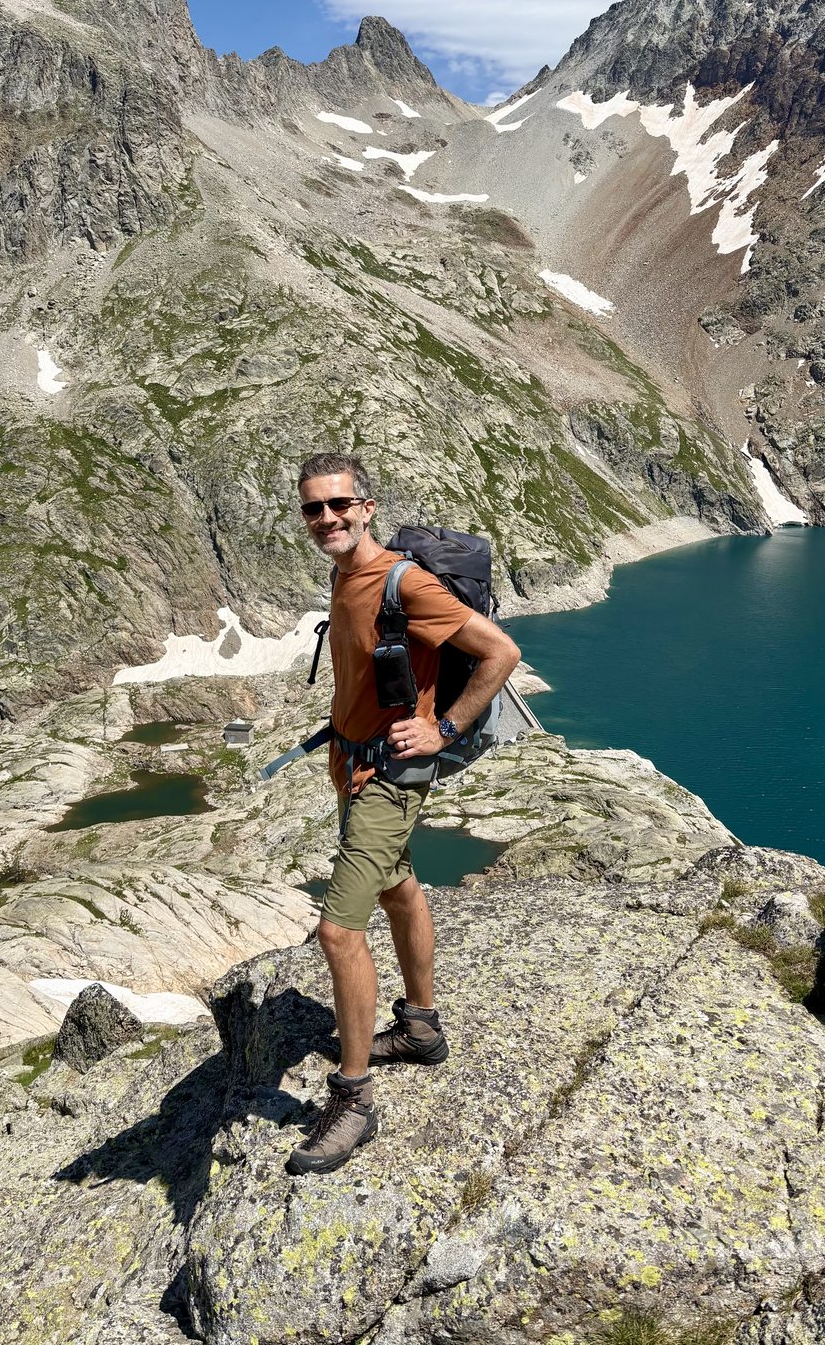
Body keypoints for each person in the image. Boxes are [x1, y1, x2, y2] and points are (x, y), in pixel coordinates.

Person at [286, 451, 521, 1175]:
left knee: (337, 930)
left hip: (389, 775)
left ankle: (352, 1100)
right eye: (313, 508)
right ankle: (419, 1028)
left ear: (367, 506)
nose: (327, 518)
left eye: (339, 505)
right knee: (396, 885)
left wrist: (442, 729)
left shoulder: (403, 581)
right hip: (354, 762)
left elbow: (500, 653)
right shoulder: (343, 574)